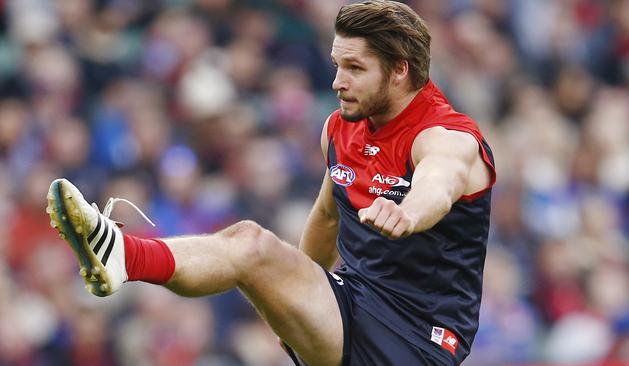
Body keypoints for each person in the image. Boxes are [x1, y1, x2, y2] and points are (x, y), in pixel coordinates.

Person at [46, 1, 495, 365]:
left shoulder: (446, 136)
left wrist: (408, 212)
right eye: (336, 65)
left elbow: (439, 184)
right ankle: (124, 256)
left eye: (355, 68)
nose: (338, 82)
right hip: (353, 305)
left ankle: (125, 255)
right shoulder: (341, 128)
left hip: (417, 338)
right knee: (250, 242)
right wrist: (295, 307)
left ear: (399, 69)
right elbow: (326, 216)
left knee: (253, 246)